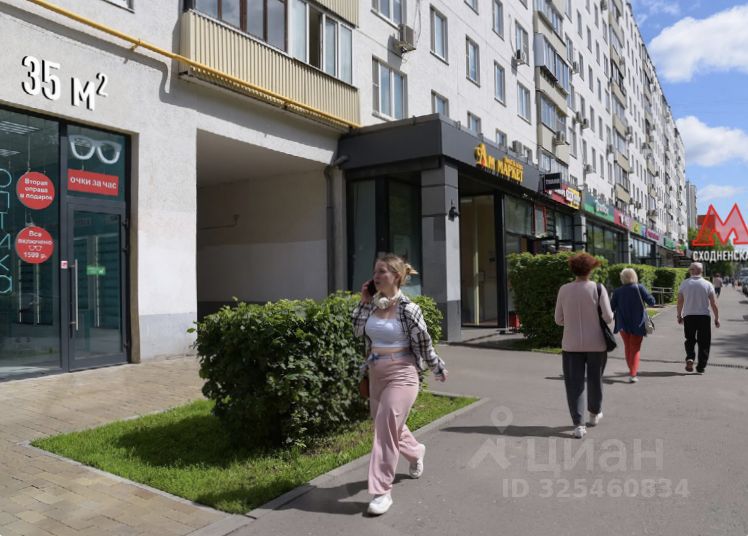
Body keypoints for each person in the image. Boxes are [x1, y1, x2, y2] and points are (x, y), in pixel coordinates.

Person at [351, 254, 448, 516]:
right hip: (376, 372)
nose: (376, 276)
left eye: (382, 271)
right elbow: (357, 330)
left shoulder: (408, 308)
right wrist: (363, 301)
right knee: (387, 424)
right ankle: (416, 451)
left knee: (384, 429)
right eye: (375, 271)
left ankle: (382, 492)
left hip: (402, 373)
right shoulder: (373, 305)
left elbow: (424, 342)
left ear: (396, 276)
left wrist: (437, 366)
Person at [554, 252, 614, 439]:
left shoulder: (564, 289)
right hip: (596, 343)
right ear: (591, 269)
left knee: (574, 384)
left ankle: (578, 425)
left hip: (571, 345)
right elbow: (608, 317)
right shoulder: (598, 288)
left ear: (573, 269)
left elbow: (558, 320)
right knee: (595, 380)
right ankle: (594, 413)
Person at [610, 268, 656, 383]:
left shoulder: (617, 291)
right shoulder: (639, 288)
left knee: (628, 347)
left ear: (622, 278)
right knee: (635, 348)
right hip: (638, 323)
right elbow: (652, 302)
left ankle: (631, 370)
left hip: (622, 324)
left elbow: (611, 307)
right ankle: (633, 374)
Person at [677, 262, 720, 374]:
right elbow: (713, 303)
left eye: (690, 269)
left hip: (689, 316)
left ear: (691, 271)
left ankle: (690, 357)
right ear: (702, 271)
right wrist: (717, 318)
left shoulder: (684, 283)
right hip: (704, 316)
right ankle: (701, 366)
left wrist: (679, 315)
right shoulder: (707, 284)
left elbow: (680, 301)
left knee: (690, 339)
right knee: (704, 342)